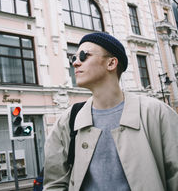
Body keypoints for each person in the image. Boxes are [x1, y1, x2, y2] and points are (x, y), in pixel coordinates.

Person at [43, 32, 178, 191]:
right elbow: (54, 183)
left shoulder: (156, 113)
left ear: (111, 63)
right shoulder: (68, 120)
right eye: (74, 58)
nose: (75, 63)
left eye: (83, 56)